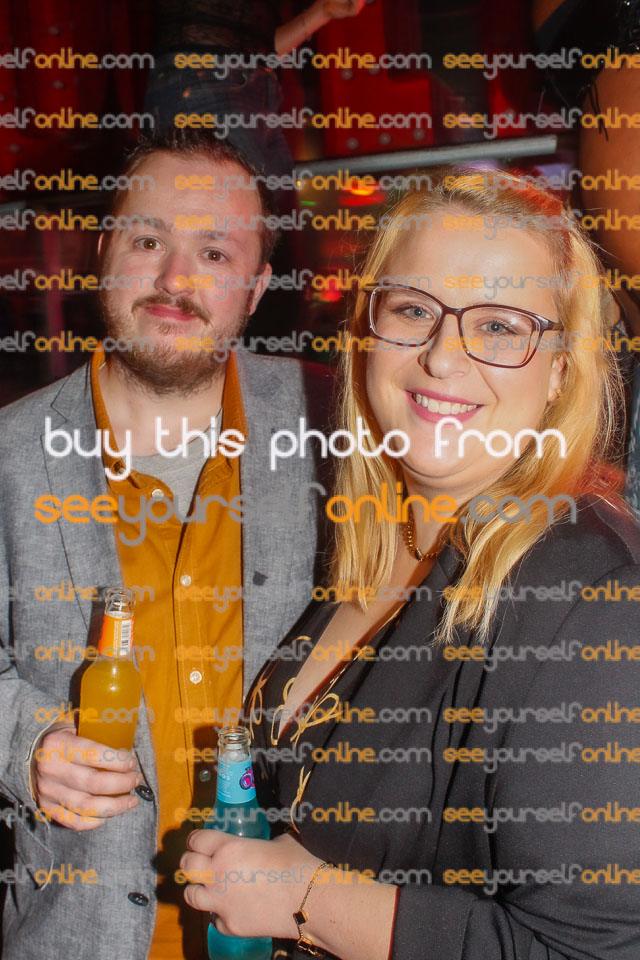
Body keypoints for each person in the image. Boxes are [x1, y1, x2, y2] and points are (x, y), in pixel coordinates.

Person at [180, 169, 640, 959]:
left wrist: (304, 899)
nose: (442, 357)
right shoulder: (375, 535)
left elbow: (588, 951)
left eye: (500, 326)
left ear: (561, 369)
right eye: (414, 310)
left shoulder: (587, 593)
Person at [0, 128, 330, 960]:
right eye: (148, 241)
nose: (175, 280)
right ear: (104, 253)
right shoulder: (9, 454)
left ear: (257, 287)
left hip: (305, 934)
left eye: (214, 253)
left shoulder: (336, 427)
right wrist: (22, 744)